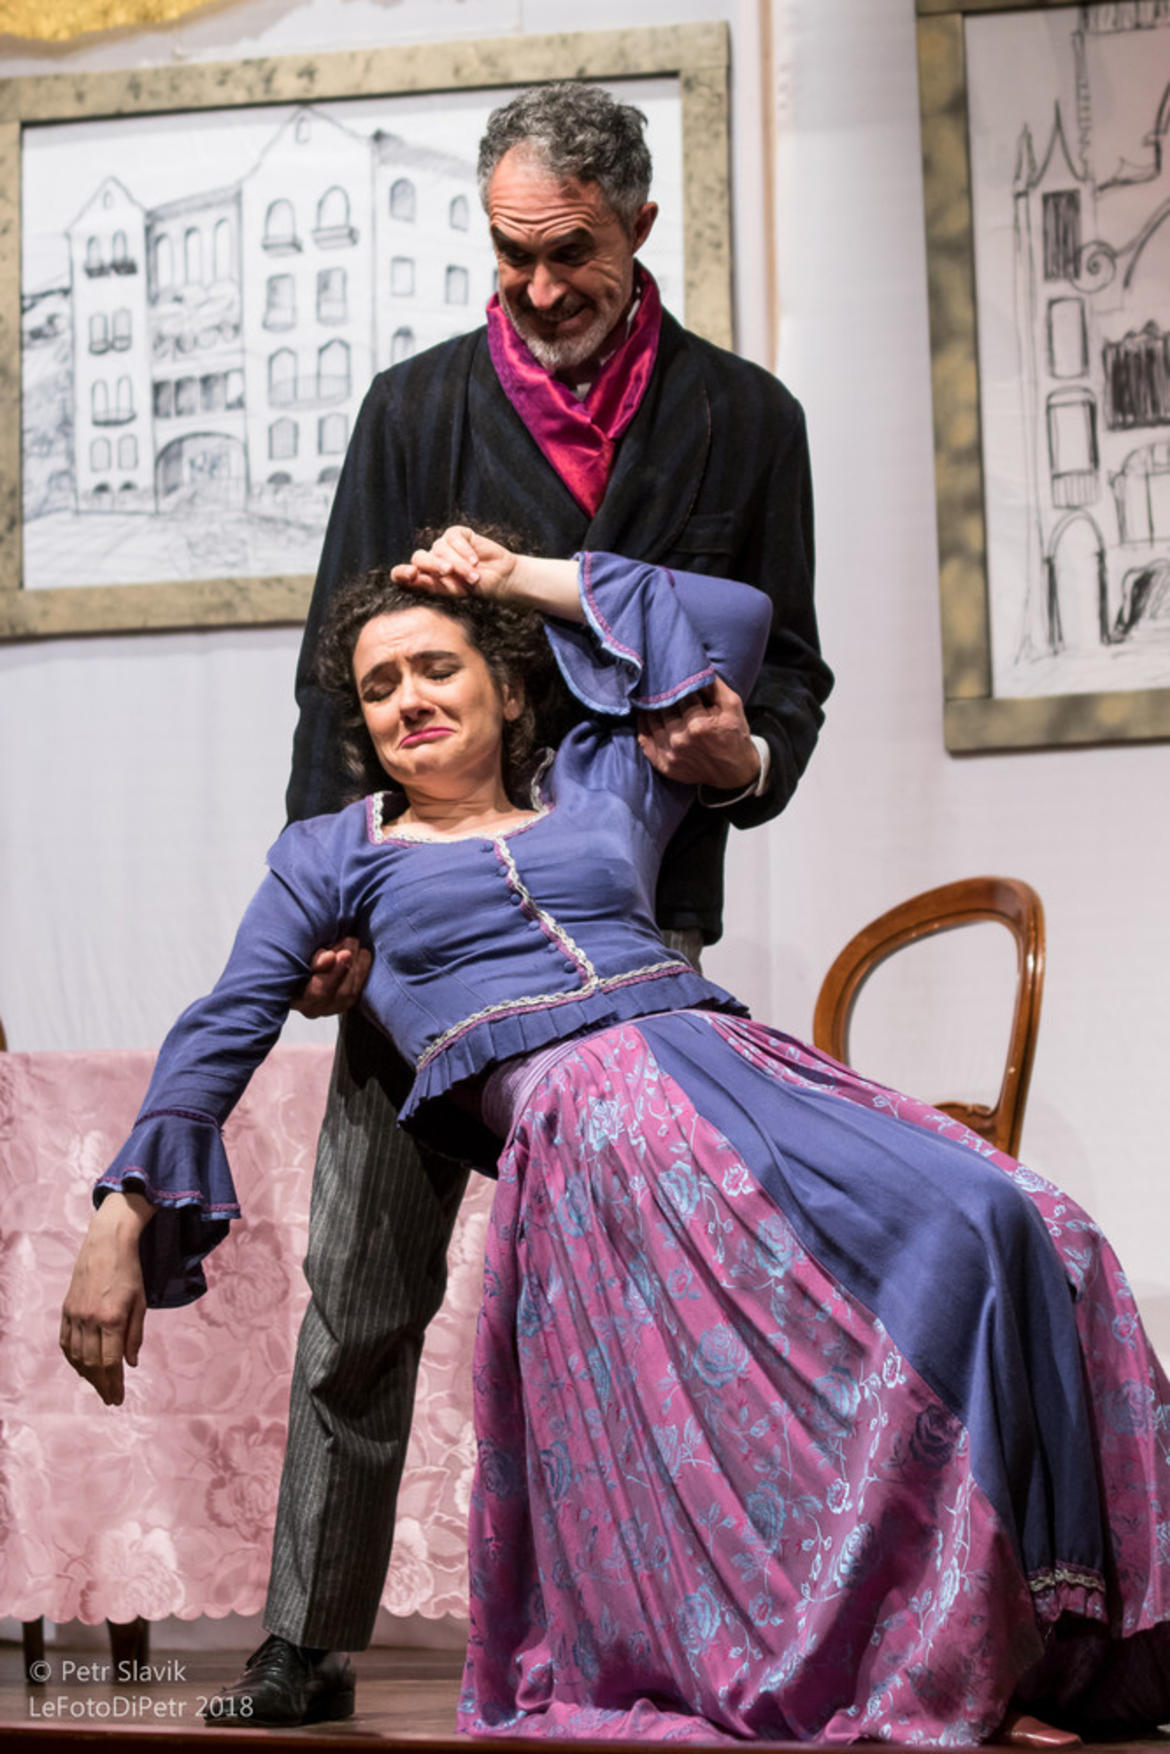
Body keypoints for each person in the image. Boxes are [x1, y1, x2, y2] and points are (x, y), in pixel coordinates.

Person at [62, 529, 1170, 1744]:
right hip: (596, 1129)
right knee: (801, 1359)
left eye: (435, 667)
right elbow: (224, 1020)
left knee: (1028, 1224)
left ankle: (1037, 1639)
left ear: (508, 689)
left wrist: (508, 578)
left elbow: (731, 620)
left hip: (740, 1069)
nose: (407, 699)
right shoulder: (333, 853)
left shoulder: (601, 784)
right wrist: (122, 1216)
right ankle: (924, 1658)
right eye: (378, 686)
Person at [196, 79, 830, 1725]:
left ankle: (657, 1640)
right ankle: (305, 1639)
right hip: (414, 917)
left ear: (639, 228)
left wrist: (744, 754)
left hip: (630, 919)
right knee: (363, 1286)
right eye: (511, 254)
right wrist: (327, 899)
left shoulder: (745, 418)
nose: (541, 288)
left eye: (573, 255)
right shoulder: (414, 408)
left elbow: (790, 670)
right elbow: (332, 676)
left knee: (643, 1301)